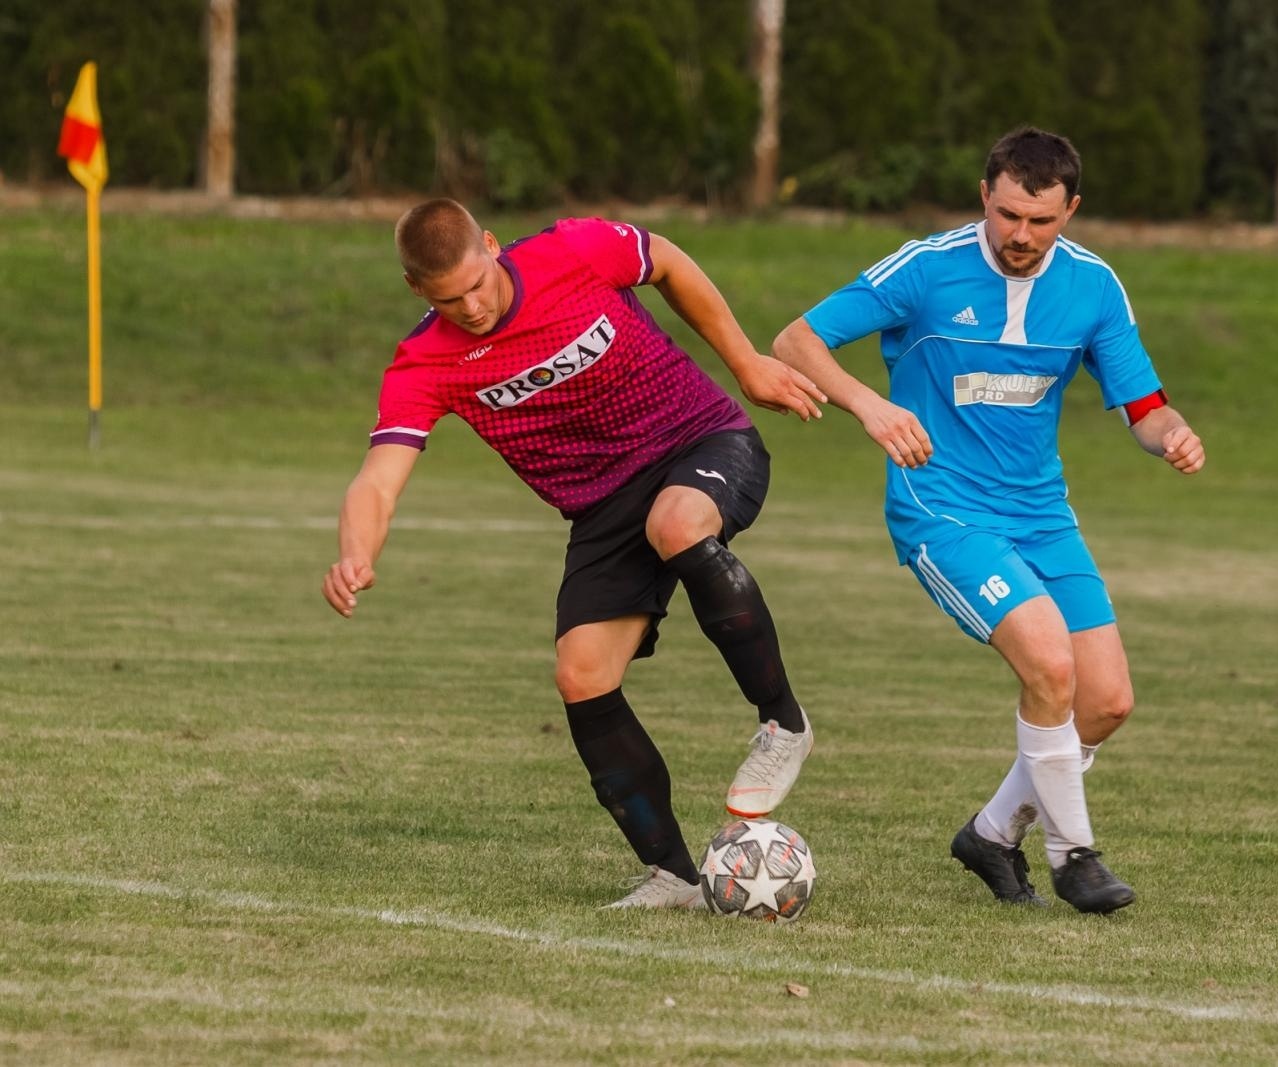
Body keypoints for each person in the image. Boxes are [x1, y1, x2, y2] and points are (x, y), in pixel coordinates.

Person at [321, 199, 827, 908]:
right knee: (581, 675)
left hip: (701, 441)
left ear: (491, 245)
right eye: (448, 298)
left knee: (678, 524)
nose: (469, 305)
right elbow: (379, 478)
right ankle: (674, 875)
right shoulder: (423, 362)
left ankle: (783, 722)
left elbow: (670, 261)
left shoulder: (573, 251)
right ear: (416, 291)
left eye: (477, 283)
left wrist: (745, 363)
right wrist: (354, 552)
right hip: (603, 510)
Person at [771, 127, 1204, 913]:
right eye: (1007, 215)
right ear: (985, 197)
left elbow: (1143, 405)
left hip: (1042, 515)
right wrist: (870, 405)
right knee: (1048, 659)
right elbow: (796, 340)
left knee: (1104, 702)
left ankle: (991, 832)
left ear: (1070, 209)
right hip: (941, 511)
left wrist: (1171, 433)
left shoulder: (1095, 287)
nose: (1020, 235)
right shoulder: (926, 268)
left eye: (1040, 221)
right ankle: (1076, 857)